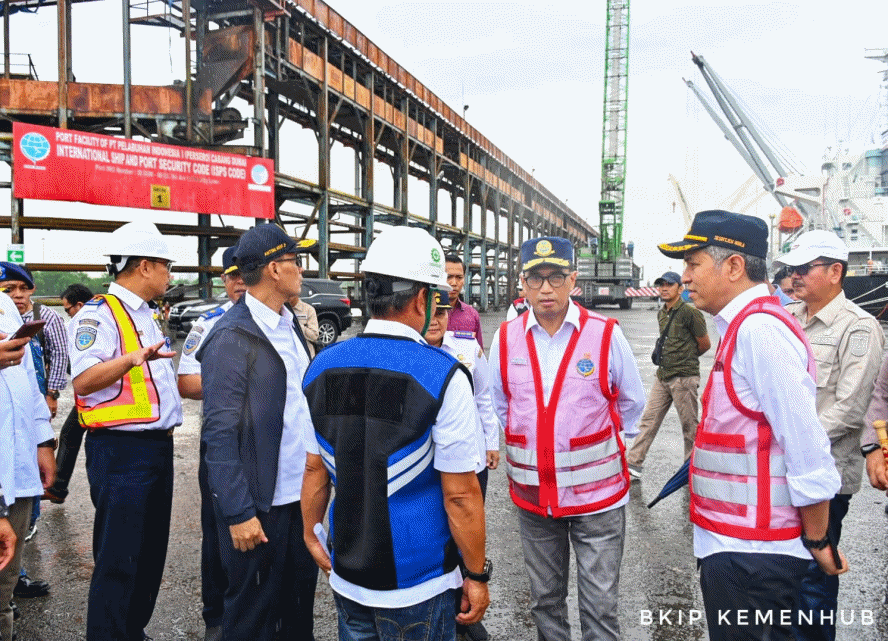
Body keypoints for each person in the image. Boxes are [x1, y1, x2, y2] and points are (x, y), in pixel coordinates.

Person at [657, 210, 846, 641]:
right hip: (737, 546)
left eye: (693, 263)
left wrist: (818, 539)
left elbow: (805, 443)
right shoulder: (744, 326)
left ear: (734, 266)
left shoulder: (760, 331)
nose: (685, 277)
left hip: (755, 556)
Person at [301, 225, 489, 641]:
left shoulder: (320, 366)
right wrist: (476, 574)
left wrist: (310, 531)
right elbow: (460, 494)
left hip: (347, 574)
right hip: (419, 582)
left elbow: (315, 468)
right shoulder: (442, 375)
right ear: (422, 299)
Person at [489, 236, 645, 641]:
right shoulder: (505, 339)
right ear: (521, 284)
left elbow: (633, 403)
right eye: (535, 278)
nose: (545, 288)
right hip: (534, 500)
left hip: (598, 502)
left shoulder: (606, 334)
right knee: (545, 603)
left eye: (556, 277)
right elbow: (502, 407)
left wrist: (604, 453)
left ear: (573, 280)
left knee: (600, 608)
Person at [197, 224, 317, 641]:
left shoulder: (289, 325)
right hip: (259, 508)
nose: (302, 270)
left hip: (298, 500)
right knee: (251, 618)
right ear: (273, 270)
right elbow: (219, 435)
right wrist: (238, 513)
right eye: (295, 261)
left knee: (299, 611)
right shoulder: (231, 337)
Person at [69, 220, 183, 641]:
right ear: (145, 266)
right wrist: (132, 358)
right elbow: (83, 380)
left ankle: (131, 630)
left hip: (155, 450)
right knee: (119, 558)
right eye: (166, 266)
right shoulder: (98, 314)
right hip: (121, 454)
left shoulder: (145, 315)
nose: (170, 275)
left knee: (149, 554)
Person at [771, 229, 883, 641]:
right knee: (782, 575)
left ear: (836, 272)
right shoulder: (787, 320)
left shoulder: (859, 328)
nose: (794, 276)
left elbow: (850, 409)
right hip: (780, 468)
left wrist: (787, 440)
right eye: (791, 269)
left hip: (825, 475)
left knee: (812, 581)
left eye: (804, 268)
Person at [176, 243, 244, 641]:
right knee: (219, 532)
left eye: (244, 274)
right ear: (224, 280)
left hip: (272, 446)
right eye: (232, 276)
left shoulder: (288, 320)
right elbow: (186, 382)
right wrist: (240, 384)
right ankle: (215, 616)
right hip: (222, 445)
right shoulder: (209, 323)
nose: (239, 283)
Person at [0, 290, 56, 641]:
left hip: (15, 473)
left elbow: (28, 383)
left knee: (3, 584)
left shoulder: (5, 305)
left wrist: (42, 441)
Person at [627, 271, 710, 480]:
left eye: (669, 285)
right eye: (661, 285)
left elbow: (705, 343)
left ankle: (690, 470)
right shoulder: (662, 313)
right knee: (648, 420)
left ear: (680, 289)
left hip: (683, 377)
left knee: (689, 426)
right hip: (662, 375)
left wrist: (685, 359)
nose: (664, 288)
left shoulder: (690, 313)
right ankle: (633, 464)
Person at [43, 283, 95, 505]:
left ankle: (58, 487)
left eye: (68, 310)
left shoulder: (85, 325)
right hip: (96, 392)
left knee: (71, 435)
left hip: (98, 393)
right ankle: (58, 487)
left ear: (80, 305)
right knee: (70, 434)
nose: (68, 315)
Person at [0, 262, 69, 420]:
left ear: (32, 289)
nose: (18, 294)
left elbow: (59, 355)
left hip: (36, 393)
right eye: (8, 289)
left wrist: (52, 394)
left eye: (24, 288)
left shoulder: (48, 317)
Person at [445, 254, 484, 348]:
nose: (454, 283)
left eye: (459, 277)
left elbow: (478, 354)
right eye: (448, 277)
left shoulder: (472, 315)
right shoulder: (425, 313)